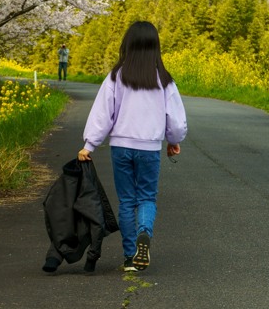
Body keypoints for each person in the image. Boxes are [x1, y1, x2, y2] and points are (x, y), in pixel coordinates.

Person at [77, 21, 187, 272]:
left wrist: (89, 144)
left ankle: (130, 258)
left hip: (121, 147)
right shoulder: (164, 80)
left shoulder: (117, 76)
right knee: (147, 197)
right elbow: (176, 119)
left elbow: (103, 113)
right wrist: (174, 140)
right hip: (149, 147)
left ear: (128, 44)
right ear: (155, 47)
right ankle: (144, 235)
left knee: (127, 201)